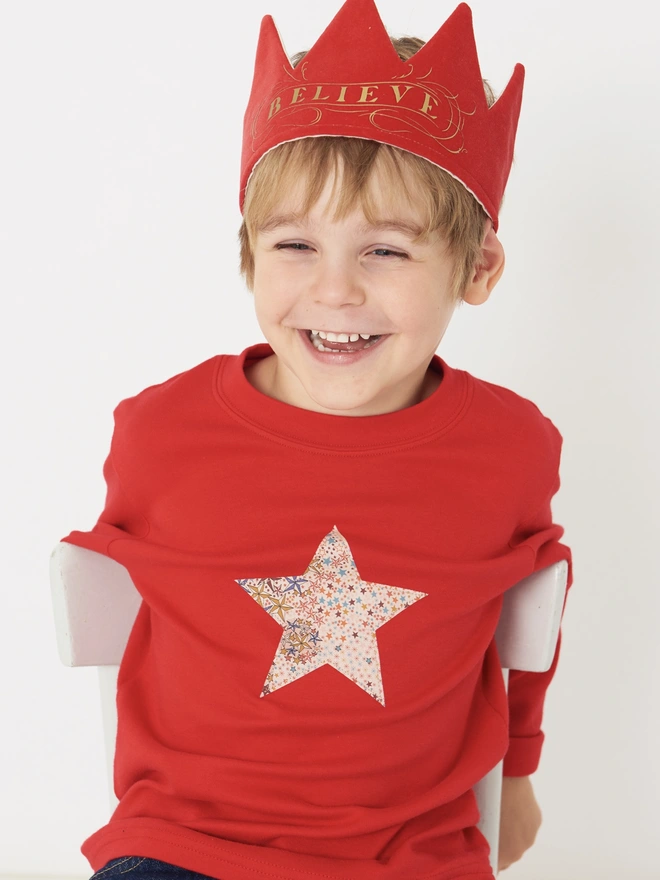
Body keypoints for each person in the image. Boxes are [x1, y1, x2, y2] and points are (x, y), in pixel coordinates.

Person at [60, 1, 573, 879]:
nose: (334, 291)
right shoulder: (160, 434)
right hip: (184, 846)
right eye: (295, 244)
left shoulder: (513, 450)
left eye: (387, 252)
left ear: (477, 268)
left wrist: (517, 776)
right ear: (250, 257)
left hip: (412, 855)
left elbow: (529, 617)